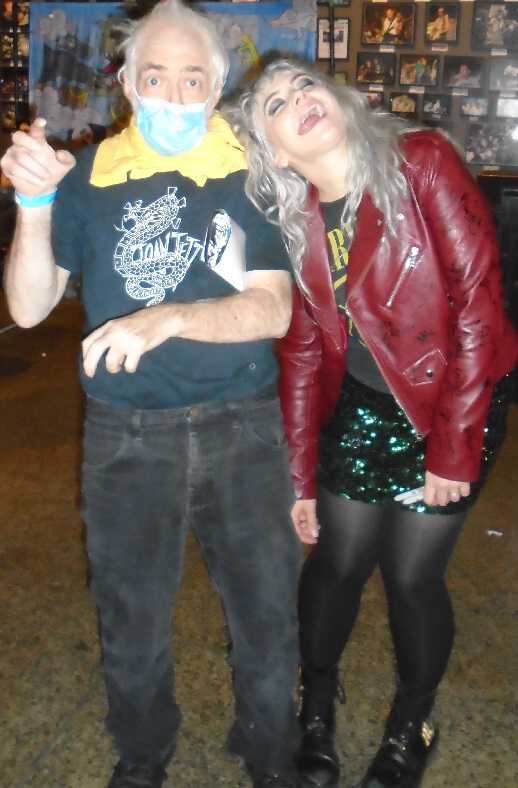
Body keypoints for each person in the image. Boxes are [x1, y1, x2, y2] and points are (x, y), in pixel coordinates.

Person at [0, 5, 303, 788]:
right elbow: (28, 308)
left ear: (217, 87)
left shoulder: (250, 172)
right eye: (156, 78)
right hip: (127, 434)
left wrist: (168, 317)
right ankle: (142, 756)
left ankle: (270, 751)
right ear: (129, 85)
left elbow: (272, 308)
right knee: (130, 617)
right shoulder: (88, 175)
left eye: (193, 80)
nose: (174, 95)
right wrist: (33, 207)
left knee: (267, 613)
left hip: (243, 427)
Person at [235, 59, 518, 788]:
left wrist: (453, 448)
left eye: (304, 85)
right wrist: (299, 476)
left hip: (453, 400)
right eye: (274, 104)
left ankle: (411, 720)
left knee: (412, 577)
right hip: (363, 406)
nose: (297, 99)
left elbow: (480, 308)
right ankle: (316, 702)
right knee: (336, 563)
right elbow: (303, 351)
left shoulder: (419, 162)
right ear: (273, 152)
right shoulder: (294, 221)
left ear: (335, 97)